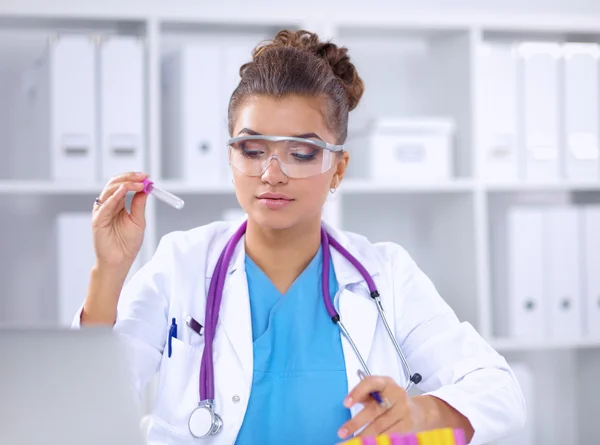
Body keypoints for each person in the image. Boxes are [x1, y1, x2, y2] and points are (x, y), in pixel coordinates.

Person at [74, 29, 525, 445]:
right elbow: (85, 406)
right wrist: (110, 270)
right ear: (231, 155)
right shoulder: (183, 265)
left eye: (302, 153)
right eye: (252, 150)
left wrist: (420, 412)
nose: (272, 174)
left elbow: (501, 391)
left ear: (338, 169)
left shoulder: (385, 275)